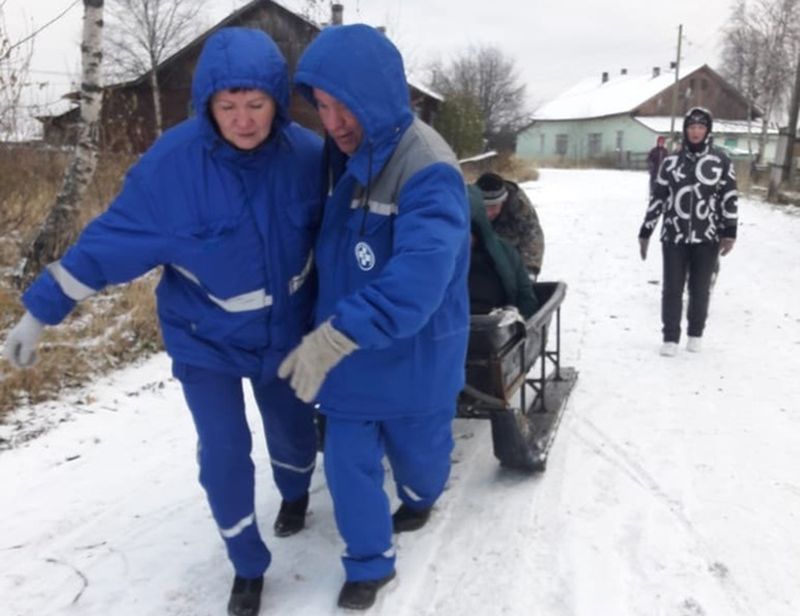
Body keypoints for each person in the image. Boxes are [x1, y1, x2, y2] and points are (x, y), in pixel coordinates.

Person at [2, 28, 323, 616]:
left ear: (277, 101)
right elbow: (107, 246)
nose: (243, 120)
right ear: (207, 105)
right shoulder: (171, 168)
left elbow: (348, 230)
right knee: (223, 453)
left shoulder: (308, 157)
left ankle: (296, 493)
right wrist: (38, 313)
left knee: (294, 431)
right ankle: (246, 565)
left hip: (286, 332)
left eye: (256, 104)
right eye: (228, 106)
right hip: (204, 338)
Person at [279, 24, 470, 611]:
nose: (333, 122)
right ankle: (369, 561)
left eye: (345, 106)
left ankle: (419, 496)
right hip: (350, 358)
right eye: (322, 106)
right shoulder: (338, 158)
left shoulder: (429, 171)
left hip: (415, 360)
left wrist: (332, 339)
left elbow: (417, 283)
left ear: (377, 96)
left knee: (422, 470)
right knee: (347, 464)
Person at [638, 106, 738, 357]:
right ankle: (670, 337)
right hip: (674, 235)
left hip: (707, 236)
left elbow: (729, 197)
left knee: (700, 289)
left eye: (701, 127)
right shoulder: (671, 162)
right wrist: (646, 230)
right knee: (672, 288)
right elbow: (658, 197)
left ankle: (695, 333)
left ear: (707, 131)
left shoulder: (721, 161)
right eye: (692, 127)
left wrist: (730, 232)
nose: (696, 132)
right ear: (685, 130)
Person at [467, 185, 539, 318]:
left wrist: (531, 268)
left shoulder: (505, 253)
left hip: (499, 324)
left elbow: (525, 297)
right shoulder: (440, 260)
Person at [474, 171, 545, 278]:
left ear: (503, 201)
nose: (488, 213)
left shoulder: (519, 207)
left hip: (510, 252)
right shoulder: (466, 205)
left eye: (493, 207)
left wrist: (529, 270)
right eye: (484, 207)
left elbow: (532, 237)